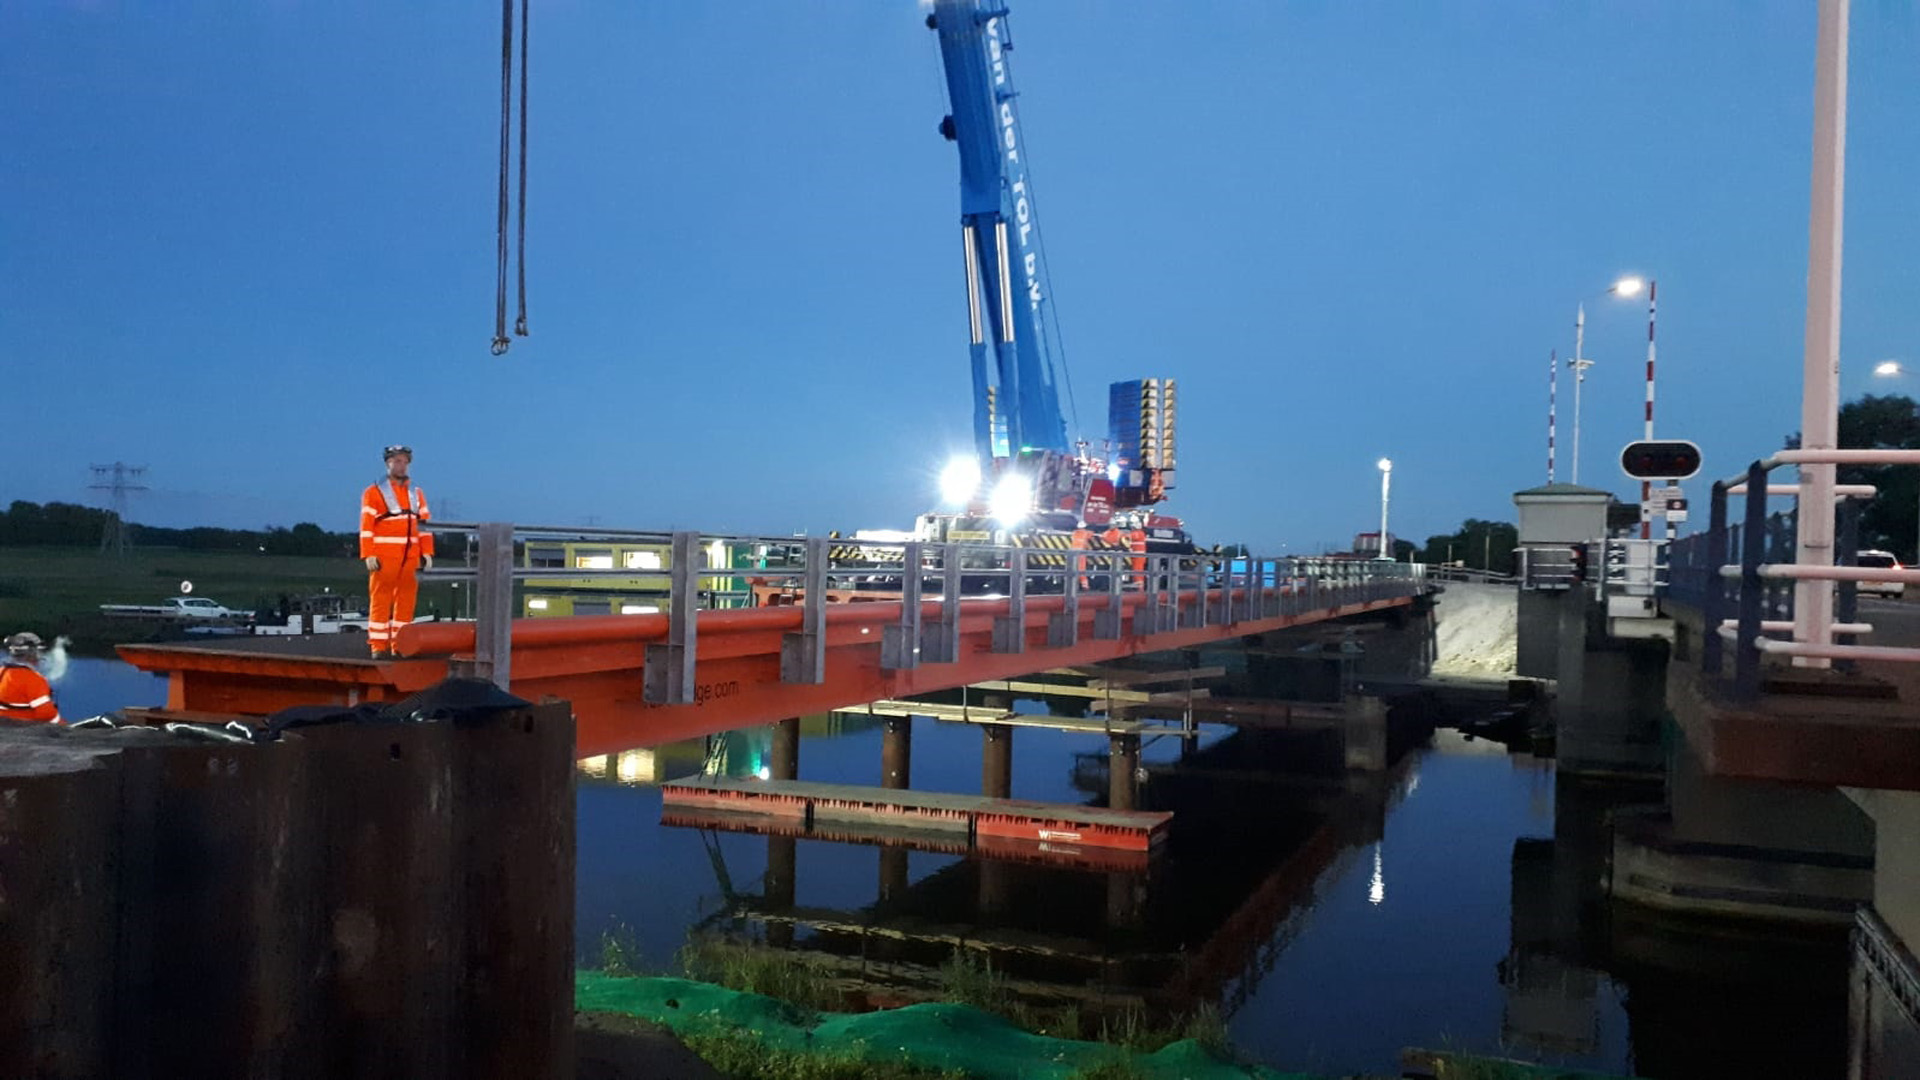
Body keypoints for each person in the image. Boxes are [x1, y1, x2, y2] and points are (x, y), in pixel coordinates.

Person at [359, 444, 434, 659]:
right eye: (396, 461)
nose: (401, 465)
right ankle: (377, 645)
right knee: (380, 600)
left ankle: (400, 645)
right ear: (387, 463)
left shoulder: (417, 494)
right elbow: (366, 526)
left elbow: (425, 526)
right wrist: (368, 553)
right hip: (385, 556)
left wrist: (427, 552)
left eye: (404, 461)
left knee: (406, 601)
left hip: (411, 556)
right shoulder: (373, 492)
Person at [0, 632, 61, 723]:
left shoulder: (2, 672)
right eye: (38, 651)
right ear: (31, 653)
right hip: (23, 731)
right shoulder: (33, 679)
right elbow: (47, 714)